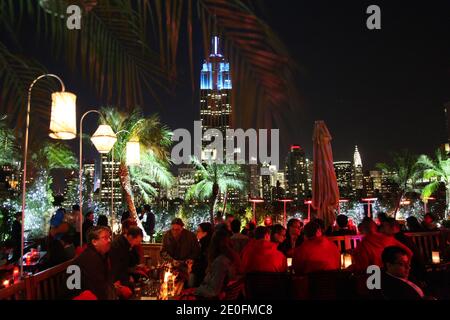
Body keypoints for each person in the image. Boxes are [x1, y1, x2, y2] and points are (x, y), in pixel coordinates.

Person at [71, 226, 117, 300]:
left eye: (109, 237)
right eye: (105, 238)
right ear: (94, 242)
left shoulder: (100, 255)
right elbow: (97, 288)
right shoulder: (90, 258)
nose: (109, 240)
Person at [194, 227, 241, 299]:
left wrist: (196, 291)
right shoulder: (232, 256)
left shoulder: (220, 262)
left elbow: (213, 291)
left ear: (213, 243)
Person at [380, 218, 426, 283]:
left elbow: (410, 254)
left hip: (412, 274)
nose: (381, 229)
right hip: (416, 271)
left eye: (383, 226)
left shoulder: (397, 239)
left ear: (392, 227)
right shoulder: (402, 237)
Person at [109, 226, 144, 293]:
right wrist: (128, 277)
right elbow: (117, 267)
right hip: (116, 278)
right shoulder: (118, 245)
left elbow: (134, 261)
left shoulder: (129, 244)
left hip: (125, 273)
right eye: (136, 241)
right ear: (130, 237)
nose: (137, 244)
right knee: (133, 286)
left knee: (141, 279)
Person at [189, 222, 213, 287]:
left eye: (198, 231)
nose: (196, 233)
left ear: (205, 233)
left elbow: (203, 265)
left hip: (202, 281)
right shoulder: (204, 244)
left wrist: (192, 267)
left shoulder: (206, 246)